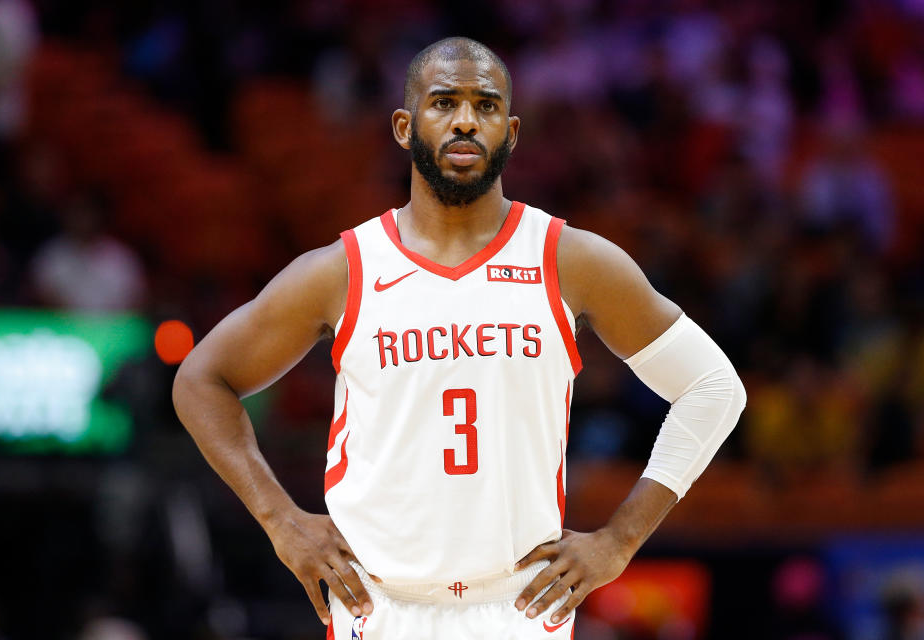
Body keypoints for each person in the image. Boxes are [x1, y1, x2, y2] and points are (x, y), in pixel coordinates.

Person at [173, 37, 746, 638]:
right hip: (379, 606)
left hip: (521, 605)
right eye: (444, 102)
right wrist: (280, 520)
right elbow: (200, 379)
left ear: (512, 130)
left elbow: (713, 388)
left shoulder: (569, 260)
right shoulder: (343, 270)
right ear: (404, 125)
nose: (466, 120)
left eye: (486, 105)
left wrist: (620, 540)